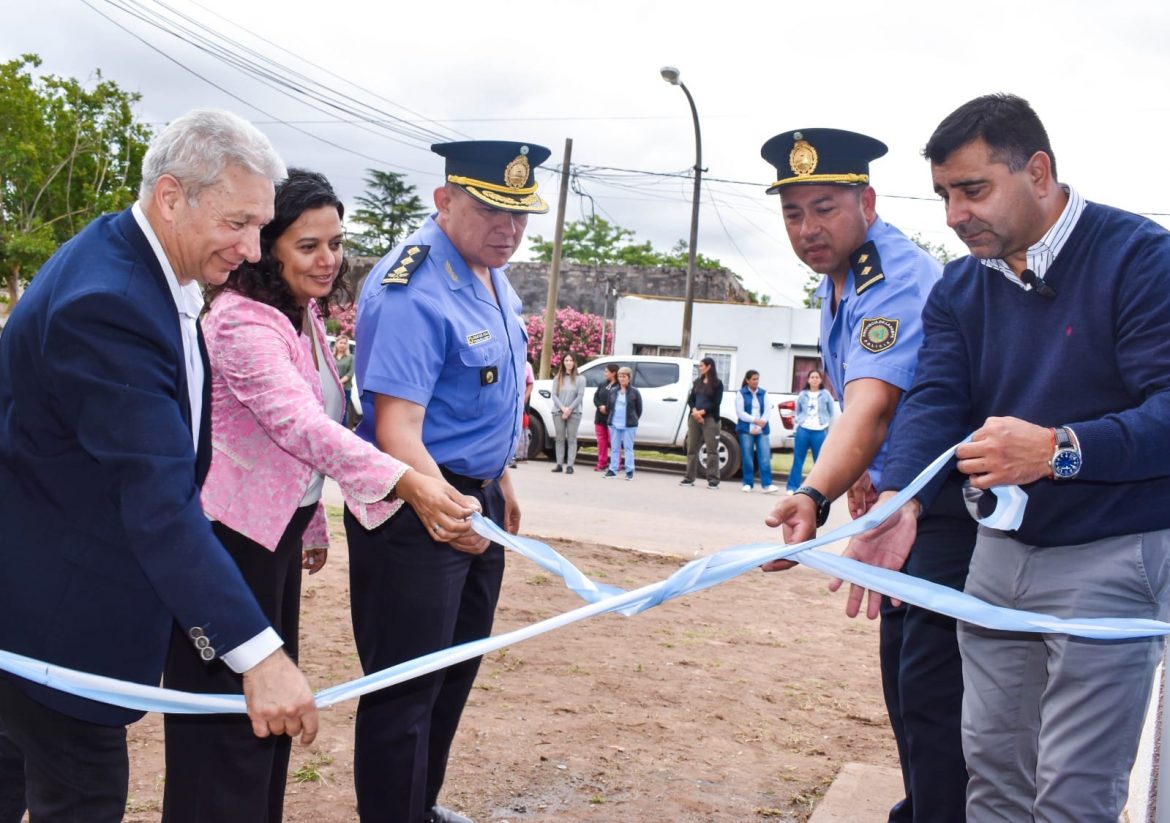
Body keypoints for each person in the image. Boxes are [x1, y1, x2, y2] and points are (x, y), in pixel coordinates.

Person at [847, 93, 1170, 822]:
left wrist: (1060, 450)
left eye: (973, 189)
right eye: (943, 196)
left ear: (1039, 171)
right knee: (989, 774)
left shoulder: (1140, 258)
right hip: (997, 553)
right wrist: (902, 501)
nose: (955, 215)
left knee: (1073, 791)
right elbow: (933, 399)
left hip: (1113, 553)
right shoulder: (961, 286)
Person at [0, 108, 317, 822]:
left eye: (261, 226)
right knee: (80, 801)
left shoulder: (126, 259)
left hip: (31, 609)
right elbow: (157, 500)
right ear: (173, 196)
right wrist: (259, 655)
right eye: (238, 223)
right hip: (54, 630)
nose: (253, 247)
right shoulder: (109, 302)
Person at [160, 169, 476, 822]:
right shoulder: (241, 322)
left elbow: (310, 430)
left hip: (270, 544)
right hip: (226, 549)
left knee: (267, 725)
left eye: (336, 242)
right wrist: (406, 479)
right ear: (267, 245)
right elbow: (299, 427)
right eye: (308, 245)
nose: (329, 259)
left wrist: (310, 523)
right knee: (225, 735)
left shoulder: (298, 314)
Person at [758, 128, 975, 823]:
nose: (808, 229)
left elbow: (873, 405)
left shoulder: (895, 278)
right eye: (793, 213)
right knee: (906, 685)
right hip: (900, 502)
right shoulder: (841, 278)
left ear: (867, 200)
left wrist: (813, 491)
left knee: (932, 694)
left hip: (941, 508)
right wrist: (864, 477)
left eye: (824, 208)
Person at [347, 139, 549, 823]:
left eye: (521, 215)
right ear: (444, 200)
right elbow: (396, 426)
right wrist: (450, 503)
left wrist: (502, 476)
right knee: (405, 687)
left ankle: (418, 805)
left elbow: (492, 389)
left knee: (454, 671)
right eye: (493, 210)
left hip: (474, 494)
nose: (510, 229)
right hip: (417, 502)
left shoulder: (492, 271)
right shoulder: (412, 285)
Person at [785, 369, 835, 494]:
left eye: (817, 377)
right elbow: (798, 411)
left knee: (819, 461)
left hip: (819, 431)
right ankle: (792, 487)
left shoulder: (826, 394)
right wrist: (799, 423)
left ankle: (817, 489)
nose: (814, 379)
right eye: (812, 377)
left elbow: (831, 413)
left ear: (821, 379)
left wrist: (827, 426)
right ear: (808, 379)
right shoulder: (803, 394)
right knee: (798, 459)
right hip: (804, 430)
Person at [680, 357, 724, 489]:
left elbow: (716, 403)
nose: (700, 368)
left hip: (710, 419)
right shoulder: (697, 382)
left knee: (712, 450)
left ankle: (713, 480)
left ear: (709, 366)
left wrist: (701, 413)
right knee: (691, 448)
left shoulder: (717, 383)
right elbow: (691, 400)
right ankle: (689, 478)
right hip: (694, 418)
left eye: (701, 366)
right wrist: (694, 411)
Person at [735, 370, 779, 493]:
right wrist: (754, 421)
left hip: (762, 429)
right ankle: (748, 483)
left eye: (757, 379)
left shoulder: (763, 393)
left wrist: (759, 426)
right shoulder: (741, 393)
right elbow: (741, 413)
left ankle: (767, 484)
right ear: (747, 380)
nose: (756, 381)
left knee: (764, 457)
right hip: (746, 429)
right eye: (754, 379)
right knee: (747, 457)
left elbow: (767, 411)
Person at [549, 352, 586, 474]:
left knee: (572, 438)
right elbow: (554, 395)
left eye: (571, 360)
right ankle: (559, 464)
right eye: (566, 360)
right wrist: (563, 409)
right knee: (559, 438)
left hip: (574, 413)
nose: (569, 363)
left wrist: (569, 409)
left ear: (574, 362)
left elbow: (580, 396)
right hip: (558, 412)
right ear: (563, 363)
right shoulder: (557, 377)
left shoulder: (581, 379)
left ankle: (570, 465)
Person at [603, 366, 641, 480]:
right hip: (614, 423)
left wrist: (632, 419)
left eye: (624, 376)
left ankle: (629, 471)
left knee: (628, 448)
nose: (621, 379)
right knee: (615, 448)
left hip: (629, 424)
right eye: (620, 376)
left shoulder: (635, 392)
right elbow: (609, 407)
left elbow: (639, 409)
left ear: (629, 378)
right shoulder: (613, 391)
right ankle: (613, 470)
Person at [593, 362, 619, 471]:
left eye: (606, 371)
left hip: (612, 418)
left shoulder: (619, 386)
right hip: (600, 417)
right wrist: (600, 406)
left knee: (613, 442)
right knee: (601, 442)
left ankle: (615, 464)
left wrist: (607, 408)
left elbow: (619, 402)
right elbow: (596, 397)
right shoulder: (602, 384)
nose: (604, 373)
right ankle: (601, 463)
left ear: (613, 373)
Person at [333, 334, 359, 428]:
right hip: (332, 389)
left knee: (343, 412)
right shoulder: (331, 357)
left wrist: (339, 383)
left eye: (345, 343)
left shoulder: (351, 358)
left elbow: (350, 373)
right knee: (332, 410)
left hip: (345, 389)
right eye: (341, 342)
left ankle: (342, 431)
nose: (342, 345)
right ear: (336, 343)